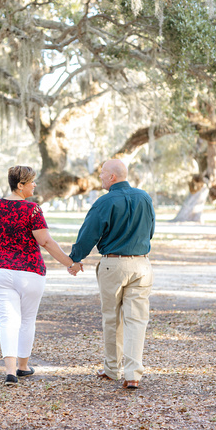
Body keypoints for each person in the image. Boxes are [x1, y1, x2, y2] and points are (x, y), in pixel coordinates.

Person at [0, 165, 80, 386]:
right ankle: (23, 367)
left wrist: (2, 261)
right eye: (31, 182)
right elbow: (45, 241)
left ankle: (10, 372)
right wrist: (70, 263)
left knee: (8, 320)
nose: (34, 185)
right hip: (29, 271)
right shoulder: (32, 209)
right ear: (20, 185)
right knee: (26, 320)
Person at [68, 159, 155, 389]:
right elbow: (150, 230)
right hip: (141, 264)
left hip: (113, 265)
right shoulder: (145, 198)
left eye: (103, 173)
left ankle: (111, 369)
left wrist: (76, 259)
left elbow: (89, 234)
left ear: (112, 177)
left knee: (111, 318)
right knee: (136, 320)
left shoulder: (104, 202)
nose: (101, 177)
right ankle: (133, 375)